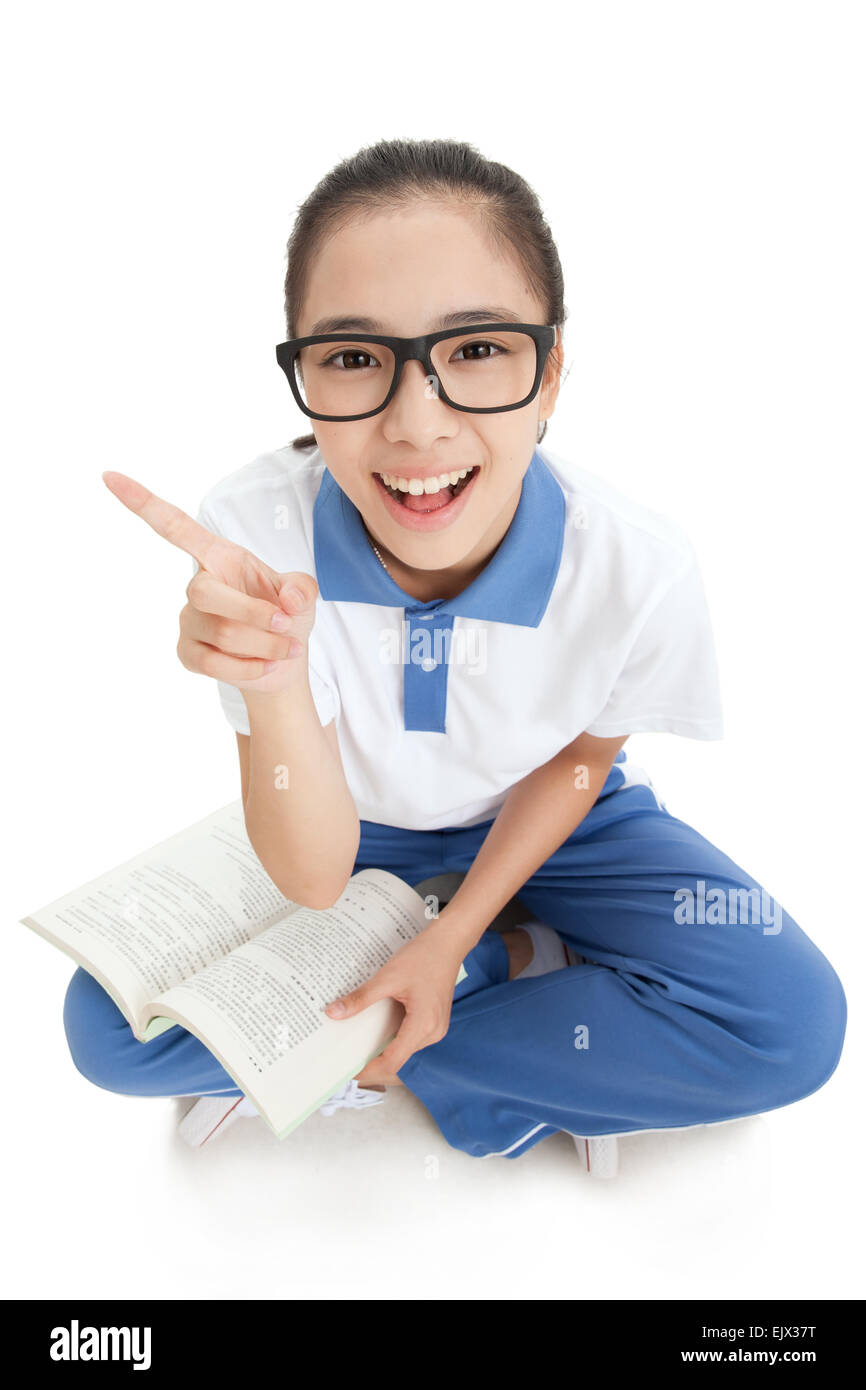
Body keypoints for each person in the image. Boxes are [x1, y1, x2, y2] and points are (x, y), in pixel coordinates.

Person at [64, 138, 846, 1169]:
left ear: (549, 370)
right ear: (301, 374)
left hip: (559, 820)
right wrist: (275, 680)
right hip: (348, 832)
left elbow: (580, 760)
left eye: (475, 350)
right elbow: (309, 870)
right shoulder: (255, 535)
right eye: (352, 358)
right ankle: (506, 975)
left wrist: (447, 929)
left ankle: (402, 1008)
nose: (413, 423)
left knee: (789, 1025)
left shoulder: (632, 564)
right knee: (108, 1030)